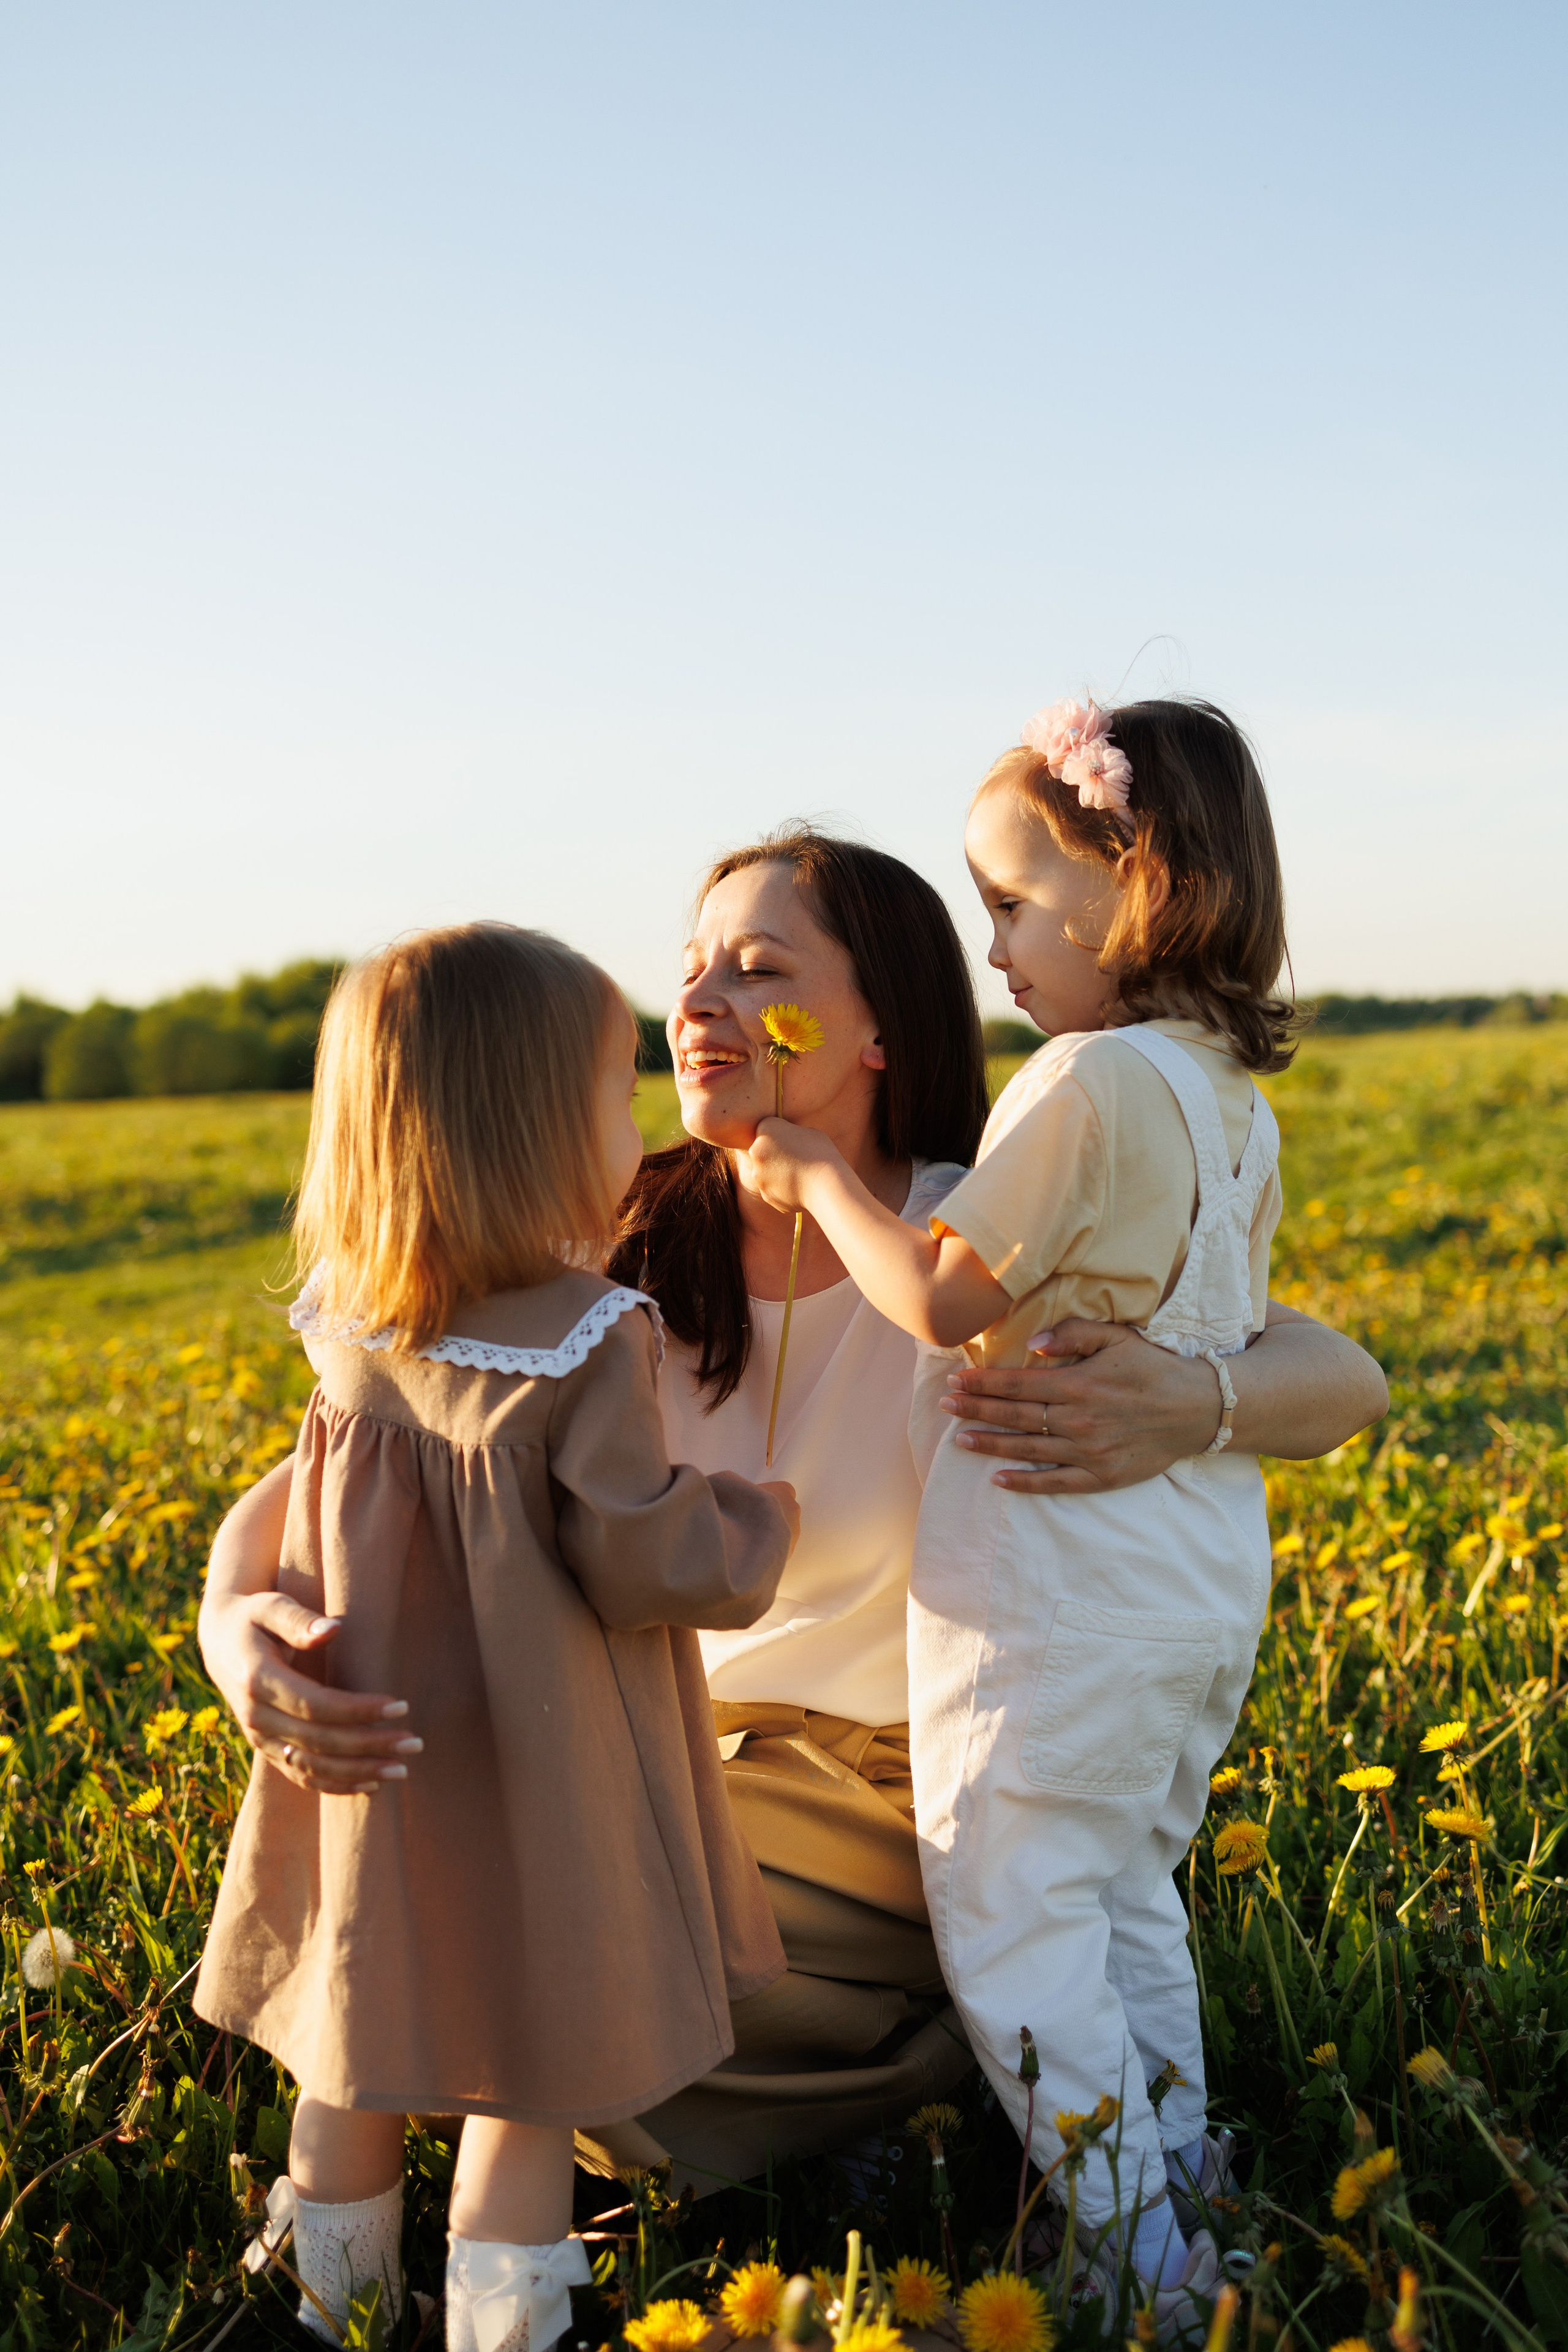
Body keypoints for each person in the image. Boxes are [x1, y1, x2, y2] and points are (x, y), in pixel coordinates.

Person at [198, 830, 1387, 2203]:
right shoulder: (598, 1236)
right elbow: (339, 1466)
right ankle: (840, 2086)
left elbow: (1342, 1375)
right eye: (690, 969)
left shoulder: (976, 1249)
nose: (698, 1004)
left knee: (547, 1949)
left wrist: (1195, 1403)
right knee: (435, 1880)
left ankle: (826, 2071)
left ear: (881, 1027)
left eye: (757, 971)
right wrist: (243, 1629)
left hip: (885, 1783)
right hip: (628, 1745)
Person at [748, 702, 1315, 2324]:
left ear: (1130, 883)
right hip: (1192, 1567)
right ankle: (1189, 2180)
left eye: (1008, 903)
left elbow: (941, 1294)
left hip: (1052, 1579)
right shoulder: (1230, 1102)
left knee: (1009, 1914)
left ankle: (1145, 2266)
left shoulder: (1084, 1078)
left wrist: (824, 1183)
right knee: (1128, 1888)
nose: (991, 948)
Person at [194, 924, 796, 2350]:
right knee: (530, 2062)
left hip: (376, 1766)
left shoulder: (350, 1320)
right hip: (540, 1771)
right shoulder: (590, 1337)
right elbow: (637, 1552)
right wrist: (751, 1521)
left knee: (355, 2028)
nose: (635, 1122)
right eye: (614, 1093)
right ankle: (505, 2318)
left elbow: (306, 1510)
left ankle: (324, 2300)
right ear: (530, 1130)